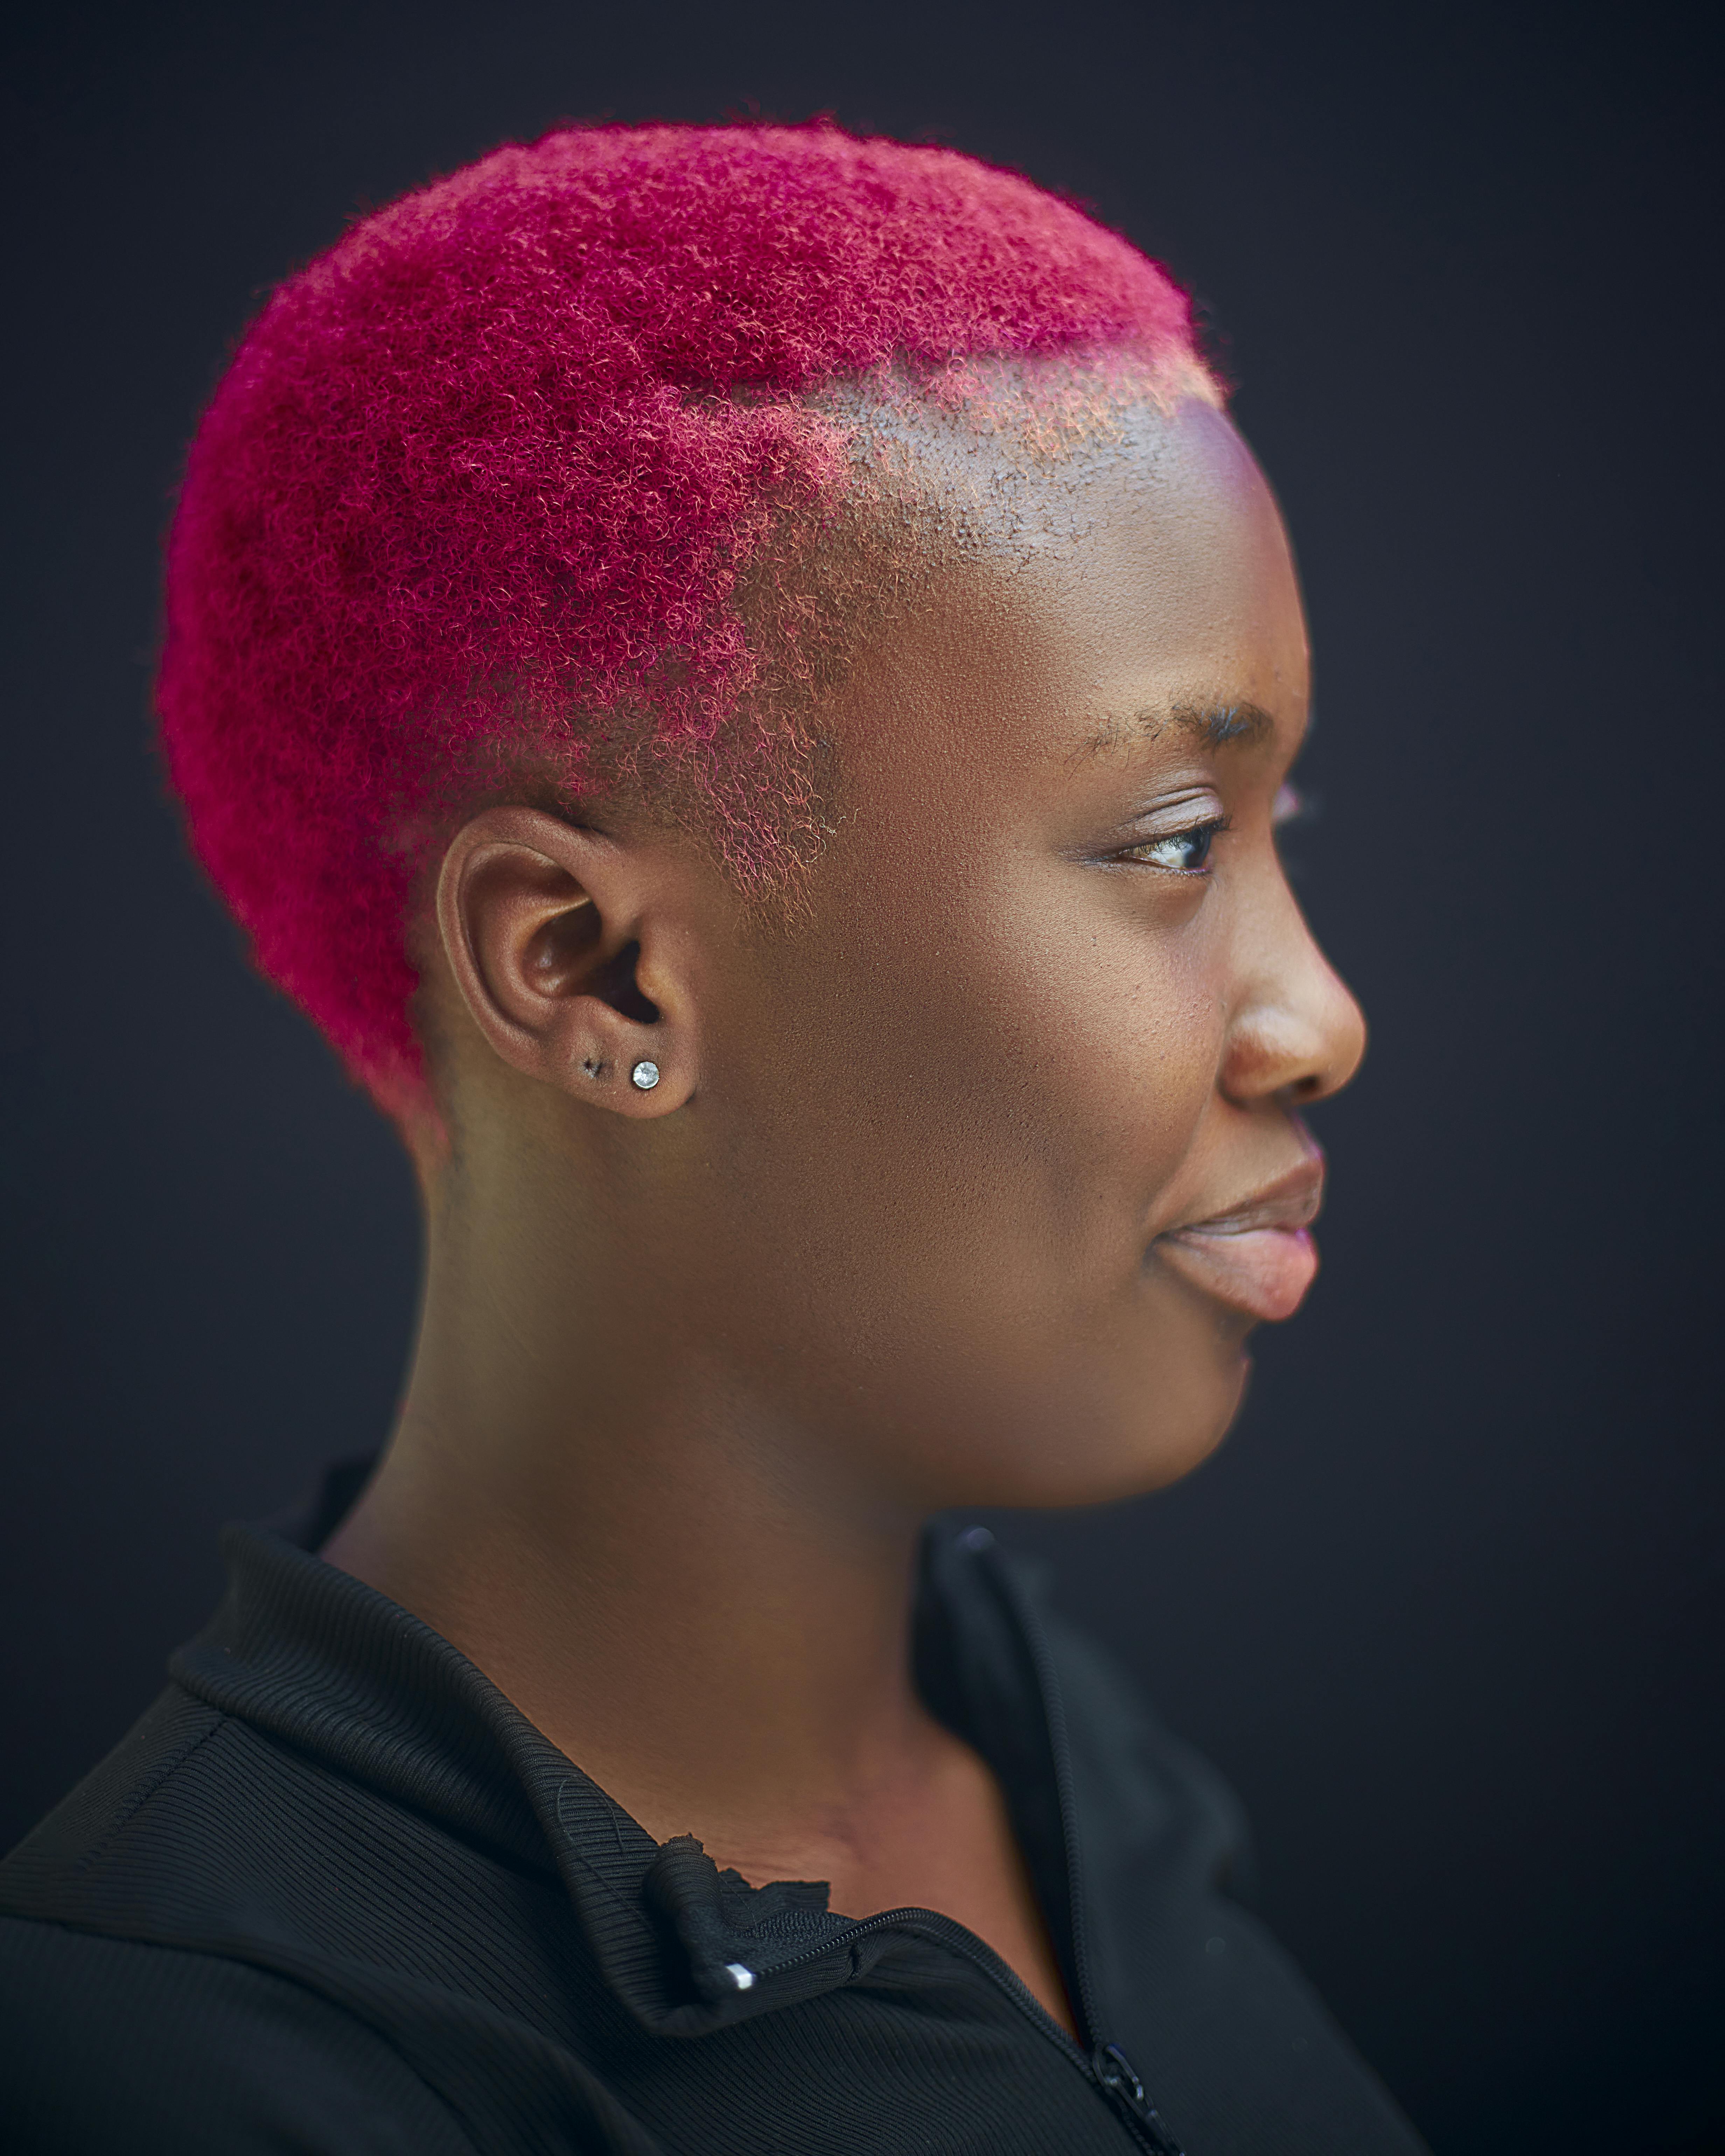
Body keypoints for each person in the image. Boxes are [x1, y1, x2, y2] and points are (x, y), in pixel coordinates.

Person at [0, 123, 1423, 2154]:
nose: (1324, 1020)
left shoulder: (1069, 1765)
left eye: (1283, 833)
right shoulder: (178, 2064)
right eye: (1174, 845)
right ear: (594, 977)